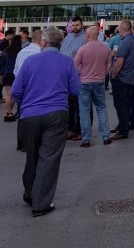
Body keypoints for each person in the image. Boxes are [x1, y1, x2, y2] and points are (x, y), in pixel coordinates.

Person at [12, 26, 81, 216]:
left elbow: (16, 90)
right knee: (49, 158)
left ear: (43, 42)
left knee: (32, 156)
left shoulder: (30, 62)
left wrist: (27, 103)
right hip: (57, 114)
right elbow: (75, 90)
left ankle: (30, 193)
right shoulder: (66, 62)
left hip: (29, 115)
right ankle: (41, 203)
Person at [73, 25, 112, 147]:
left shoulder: (82, 49)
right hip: (99, 82)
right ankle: (106, 136)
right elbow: (109, 64)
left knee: (84, 111)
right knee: (101, 108)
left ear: (88, 35)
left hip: (84, 82)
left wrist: (80, 75)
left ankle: (86, 139)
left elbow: (75, 65)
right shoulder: (106, 49)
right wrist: (103, 74)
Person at [109, 19, 134, 140]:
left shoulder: (125, 42)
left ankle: (122, 130)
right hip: (131, 77)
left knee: (121, 104)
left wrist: (113, 76)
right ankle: (122, 125)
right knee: (126, 104)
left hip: (122, 78)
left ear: (122, 29)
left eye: (119, 28)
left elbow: (119, 63)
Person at [60, 17, 86, 139]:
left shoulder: (85, 38)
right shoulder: (68, 37)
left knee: (79, 104)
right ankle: (69, 128)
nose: (75, 27)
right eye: (73, 25)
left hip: (79, 75)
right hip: (66, 75)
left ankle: (79, 129)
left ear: (82, 25)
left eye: (77, 25)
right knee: (68, 104)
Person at [2, 33, 23, 120]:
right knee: (13, 95)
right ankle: (10, 112)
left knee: (7, 94)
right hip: (15, 75)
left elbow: (3, 62)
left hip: (7, 74)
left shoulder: (6, 50)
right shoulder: (21, 51)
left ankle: (7, 112)